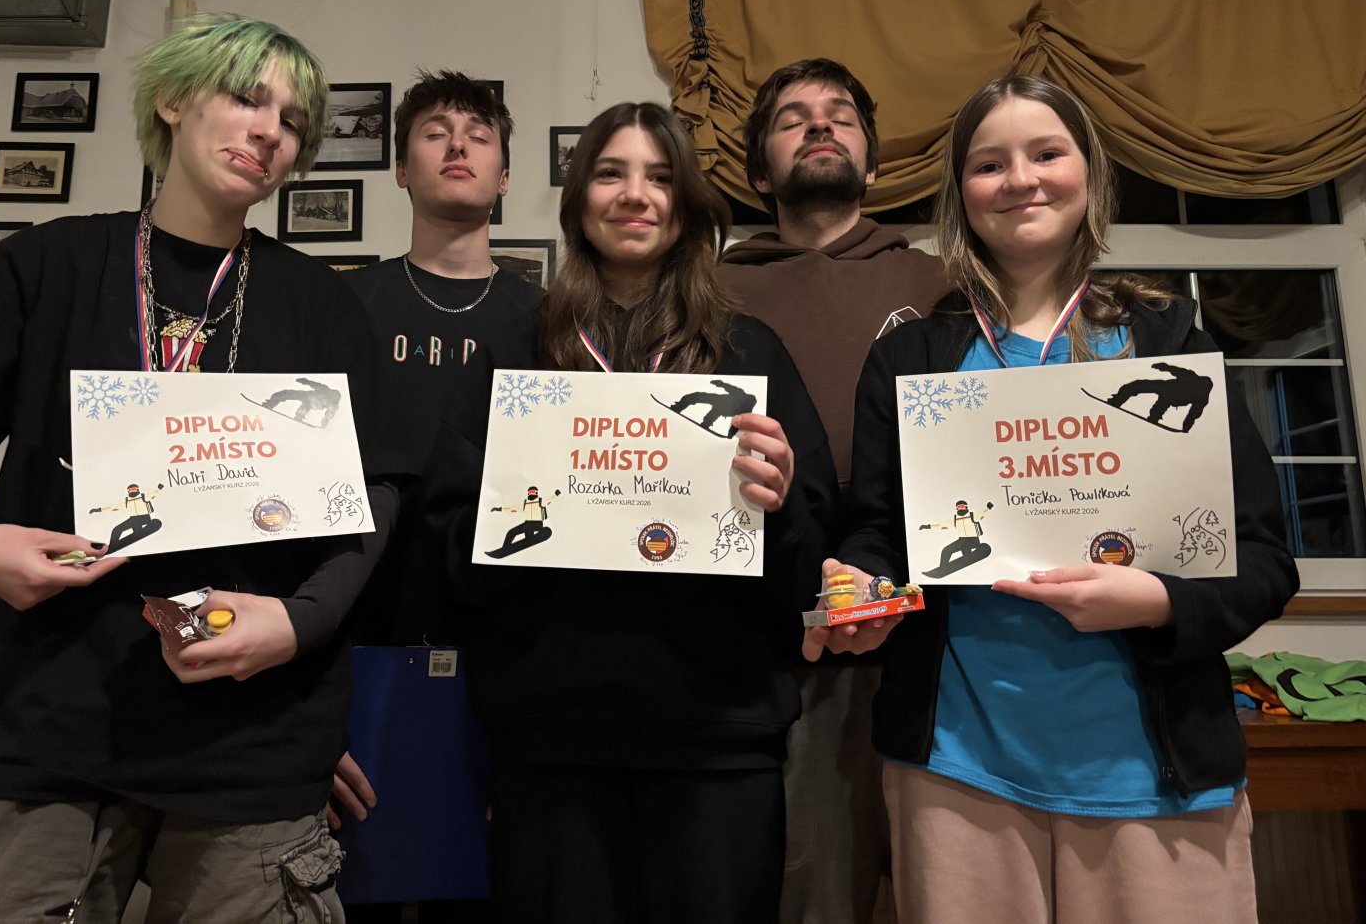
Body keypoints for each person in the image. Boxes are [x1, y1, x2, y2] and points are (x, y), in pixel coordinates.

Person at [0, 14, 394, 922]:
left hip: (253, 741)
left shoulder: (322, 305)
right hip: (46, 727)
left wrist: (301, 620)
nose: (268, 131)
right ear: (171, 99)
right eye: (245, 98)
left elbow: (377, 491)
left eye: (291, 121)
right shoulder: (46, 266)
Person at [836, 75, 1300, 923]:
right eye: (989, 164)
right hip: (956, 771)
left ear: (1089, 172)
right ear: (960, 193)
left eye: (1046, 153)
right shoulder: (911, 359)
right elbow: (877, 536)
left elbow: (1264, 559)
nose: (1021, 178)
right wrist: (861, 589)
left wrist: (1157, 600)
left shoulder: (1169, 346)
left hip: (1154, 779)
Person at [422, 102, 839, 923]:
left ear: (687, 202)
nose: (635, 195)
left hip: (719, 745)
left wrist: (783, 505)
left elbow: (809, 576)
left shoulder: (748, 353)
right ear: (580, 196)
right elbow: (443, 560)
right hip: (551, 743)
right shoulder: (517, 350)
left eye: (660, 176)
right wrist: (509, 517)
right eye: (611, 173)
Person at [718, 58, 947, 924]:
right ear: (757, 171)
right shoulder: (710, 293)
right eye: (792, 118)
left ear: (875, 163)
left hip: (943, 640)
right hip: (789, 647)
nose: (818, 125)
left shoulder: (942, 287)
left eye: (840, 115)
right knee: (818, 893)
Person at [329, 73, 543, 869]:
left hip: (501, 632)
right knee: (365, 867)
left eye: (479, 136)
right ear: (400, 168)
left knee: (482, 873)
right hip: (359, 620)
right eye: (435, 132)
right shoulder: (344, 305)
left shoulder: (550, 320)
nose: (458, 145)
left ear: (505, 176)